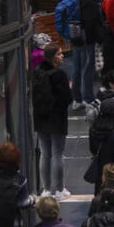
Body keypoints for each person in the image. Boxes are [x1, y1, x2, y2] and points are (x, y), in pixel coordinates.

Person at [33, 43, 73, 199]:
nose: (62, 56)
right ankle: (59, 189)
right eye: (59, 54)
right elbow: (67, 99)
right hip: (57, 118)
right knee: (57, 154)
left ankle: (46, 189)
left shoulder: (37, 72)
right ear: (52, 57)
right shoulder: (59, 75)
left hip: (41, 118)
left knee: (45, 153)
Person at [70, 0, 105, 107]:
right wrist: (97, 38)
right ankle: (88, 97)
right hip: (86, 37)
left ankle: (77, 99)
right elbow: (91, 21)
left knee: (76, 68)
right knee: (87, 68)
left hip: (75, 34)